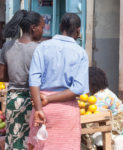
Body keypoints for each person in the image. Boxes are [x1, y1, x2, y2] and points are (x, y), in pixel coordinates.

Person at [28, 13, 89, 150]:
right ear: (78, 30)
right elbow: (78, 89)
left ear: (60, 26)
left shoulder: (42, 47)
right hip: (66, 111)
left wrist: (38, 108)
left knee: (39, 145)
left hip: (42, 107)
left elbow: (33, 79)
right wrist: (48, 99)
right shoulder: (80, 53)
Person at [0, 10, 44, 149]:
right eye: (42, 27)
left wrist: (15, 75)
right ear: (34, 28)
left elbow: (1, 76)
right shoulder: (39, 49)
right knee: (32, 140)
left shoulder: (7, 46)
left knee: (13, 138)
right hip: (33, 100)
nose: (43, 31)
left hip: (12, 99)